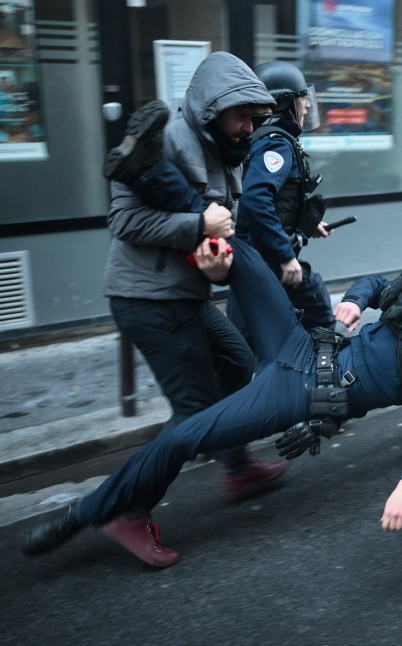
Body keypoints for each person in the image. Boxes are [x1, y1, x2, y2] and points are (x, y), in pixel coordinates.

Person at [20, 229, 402, 567]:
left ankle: (91, 512)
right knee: (238, 249)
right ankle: (173, 272)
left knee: (186, 435)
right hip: (301, 344)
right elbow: (380, 284)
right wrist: (356, 300)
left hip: (298, 392)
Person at [100, 52, 289, 506]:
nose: (250, 126)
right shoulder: (163, 139)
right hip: (147, 297)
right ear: (213, 108)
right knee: (192, 411)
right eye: (242, 115)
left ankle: (236, 465)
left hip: (187, 293)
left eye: (254, 117)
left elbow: (220, 232)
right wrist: (198, 227)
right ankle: (125, 508)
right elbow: (123, 221)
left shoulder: (226, 153)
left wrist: (218, 260)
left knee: (236, 360)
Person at [228, 60, 336, 334]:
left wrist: (307, 224)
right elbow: (255, 201)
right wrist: (287, 256)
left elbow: (277, 202)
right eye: (303, 98)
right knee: (319, 312)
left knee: (252, 337)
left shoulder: (270, 139)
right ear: (284, 103)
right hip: (264, 258)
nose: (308, 105)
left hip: (259, 256)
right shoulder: (276, 143)